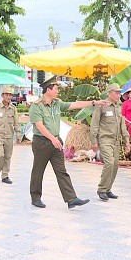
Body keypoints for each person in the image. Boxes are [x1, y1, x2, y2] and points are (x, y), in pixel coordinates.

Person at [29, 76, 109, 209]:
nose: (57, 92)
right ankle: (35, 197)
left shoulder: (57, 103)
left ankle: (71, 198)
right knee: (38, 170)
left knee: (61, 170)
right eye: (55, 89)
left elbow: (75, 105)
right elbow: (39, 125)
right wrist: (52, 139)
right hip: (42, 142)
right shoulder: (36, 106)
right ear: (48, 90)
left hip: (56, 141)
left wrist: (94, 103)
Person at [90, 83, 131, 201]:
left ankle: (108, 189)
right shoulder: (101, 105)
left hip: (116, 141)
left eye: (119, 93)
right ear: (109, 93)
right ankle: (101, 189)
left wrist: (127, 140)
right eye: (116, 93)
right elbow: (94, 124)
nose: (119, 95)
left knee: (115, 165)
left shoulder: (119, 106)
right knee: (109, 163)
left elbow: (122, 124)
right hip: (105, 139)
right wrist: (94, 140)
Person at [0, 86, 20, 184]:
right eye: (7, 94)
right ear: (2, 95)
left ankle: (5, 176)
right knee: (0, 155)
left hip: (9, 136)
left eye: (10, 95)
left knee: (7, 156)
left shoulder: (13, 109)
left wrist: (18, 134)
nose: (8, 97)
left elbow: (16, 122)